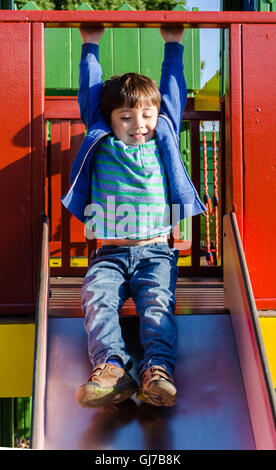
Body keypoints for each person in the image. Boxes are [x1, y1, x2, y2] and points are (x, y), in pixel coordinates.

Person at [61, 25, 206, 408]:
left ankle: (157, 371)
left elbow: (172, 94)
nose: (138, 124)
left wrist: (173, 46)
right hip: (109, 253)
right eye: (126, 117)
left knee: (158, 303)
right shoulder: (101, 136)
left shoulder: (164, 136)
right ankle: (111, 369)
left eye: (146, 115)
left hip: (156, 251)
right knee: (96, 298)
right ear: (110, 118)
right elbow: (90, 92)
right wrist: (89, 45)